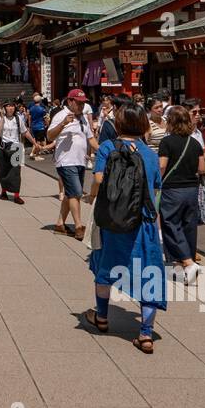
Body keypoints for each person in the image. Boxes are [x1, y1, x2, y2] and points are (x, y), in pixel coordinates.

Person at [84, 102, 166, 353]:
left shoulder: (108, 147)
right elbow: (154, 189)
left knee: (104, 266)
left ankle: (102, 316)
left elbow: (98, 178)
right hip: (143, 222)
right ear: (143, 124)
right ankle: (145, 333)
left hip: (112, 220)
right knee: (149, 273)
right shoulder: (150, 154)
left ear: (118, 123)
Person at [158, 104, 205, 284]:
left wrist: (157, 181)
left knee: (171, 224)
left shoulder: (167, 142)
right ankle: (186, 263)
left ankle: (187, 262)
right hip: (191, 189)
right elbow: (201, 169)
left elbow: (162, 165)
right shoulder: (194, 143)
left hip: (172, 188)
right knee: (189, 226)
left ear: (171, 121)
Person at [44, 88, 94, 239]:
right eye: (78, 103)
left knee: (71, 193)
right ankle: (79, 226)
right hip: (66, 161)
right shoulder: (60, 115)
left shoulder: (83, 118)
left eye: (83, 103)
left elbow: (91, 138)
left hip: (80, 161)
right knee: (76, 193)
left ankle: (60, 224)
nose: (81, 106)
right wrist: (63, 124)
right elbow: (49, 135)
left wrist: (105, 150)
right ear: (70, 101)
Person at [0, 98, 32, 205]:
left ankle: (16, 195)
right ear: (4, 108)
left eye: (12, 106)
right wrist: (2, 118)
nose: (10, 108)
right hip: (3, 146)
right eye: (8, 106)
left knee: (16, 172)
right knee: (4, 170)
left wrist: (34, 142)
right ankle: (4, 192)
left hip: (16, 147)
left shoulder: (18, 119)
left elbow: (25, 132)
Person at [28, 93, 49, 160]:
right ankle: (36, 155)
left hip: (33, 126)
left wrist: (30, 125)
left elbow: (29, 117)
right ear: (40, 101)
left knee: (36, 140)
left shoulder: (31, 108)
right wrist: (47, 124)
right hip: (40, 126)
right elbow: (45, 118)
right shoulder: (42, 109)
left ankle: (33, 153)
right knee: (39, 141)